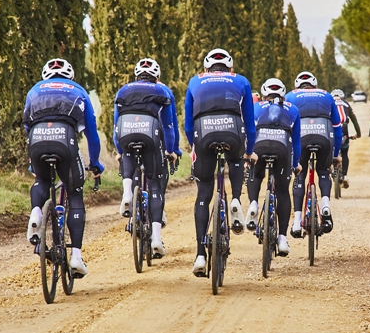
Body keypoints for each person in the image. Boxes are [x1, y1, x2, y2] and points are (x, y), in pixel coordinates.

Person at [24, 58, 104, 278]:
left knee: (41, 181)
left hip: (37, 138)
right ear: (70, 75)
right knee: (75, 193)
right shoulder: (78, 90)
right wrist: (95, 164)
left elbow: (26, 124)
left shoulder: (34, 91)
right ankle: (76, 257)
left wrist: (32, 159)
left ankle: (36, 213)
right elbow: (91, 134)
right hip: (65, 139)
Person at [185, 48, 257, 277]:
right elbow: (250, 122)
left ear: (206, 68)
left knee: (203, 194)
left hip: (203, 132)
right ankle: (235, 198)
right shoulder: (242, 81)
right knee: (236, 159)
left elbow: (188, 124)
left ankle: (199, 255)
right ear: (230, 68)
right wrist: (250, 152)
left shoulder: (195, 81)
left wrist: (193, 146)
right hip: (233, 130)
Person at [113, 58, 180, 258]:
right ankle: (157, 239)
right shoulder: (163, 91)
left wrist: (119, 150)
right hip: (151, 136)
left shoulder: (123, 90)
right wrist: (171, 150)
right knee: (155, 183)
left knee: (128, 154)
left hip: (126, 132)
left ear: (136, 76)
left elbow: (116, 125)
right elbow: (169, 126)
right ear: (156, 77)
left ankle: (127, 194)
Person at [246, 78, 300, 257]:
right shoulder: (293, 109)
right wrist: (295, 164)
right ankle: (283, 239)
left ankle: (253, 203)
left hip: (259, 147)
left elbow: (248, 132)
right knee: (283, 192)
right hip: (282, 149)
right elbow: (297, 143)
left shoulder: (256, 107)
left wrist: (247, 156)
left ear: (263, 94)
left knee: (255, 174)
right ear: (283, 95)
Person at [286, 71, 342, 235]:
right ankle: (325, 204)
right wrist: (336, 154)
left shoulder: (290, 96)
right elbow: (337, 128)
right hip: (324, 136)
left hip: (301, 138)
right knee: (323, 171)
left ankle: (296, 222)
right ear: (314, 85)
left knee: (300, 175)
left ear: (297, 86)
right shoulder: (326, 95)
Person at [331, 89, 362, 188]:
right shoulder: (346, 104)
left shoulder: (329, 103)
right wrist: (358, 134)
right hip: (343, 129)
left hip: (331, 129)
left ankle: (328, 169)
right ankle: (344, 175)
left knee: (328, 151)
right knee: (344, 153)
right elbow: (354, 120)